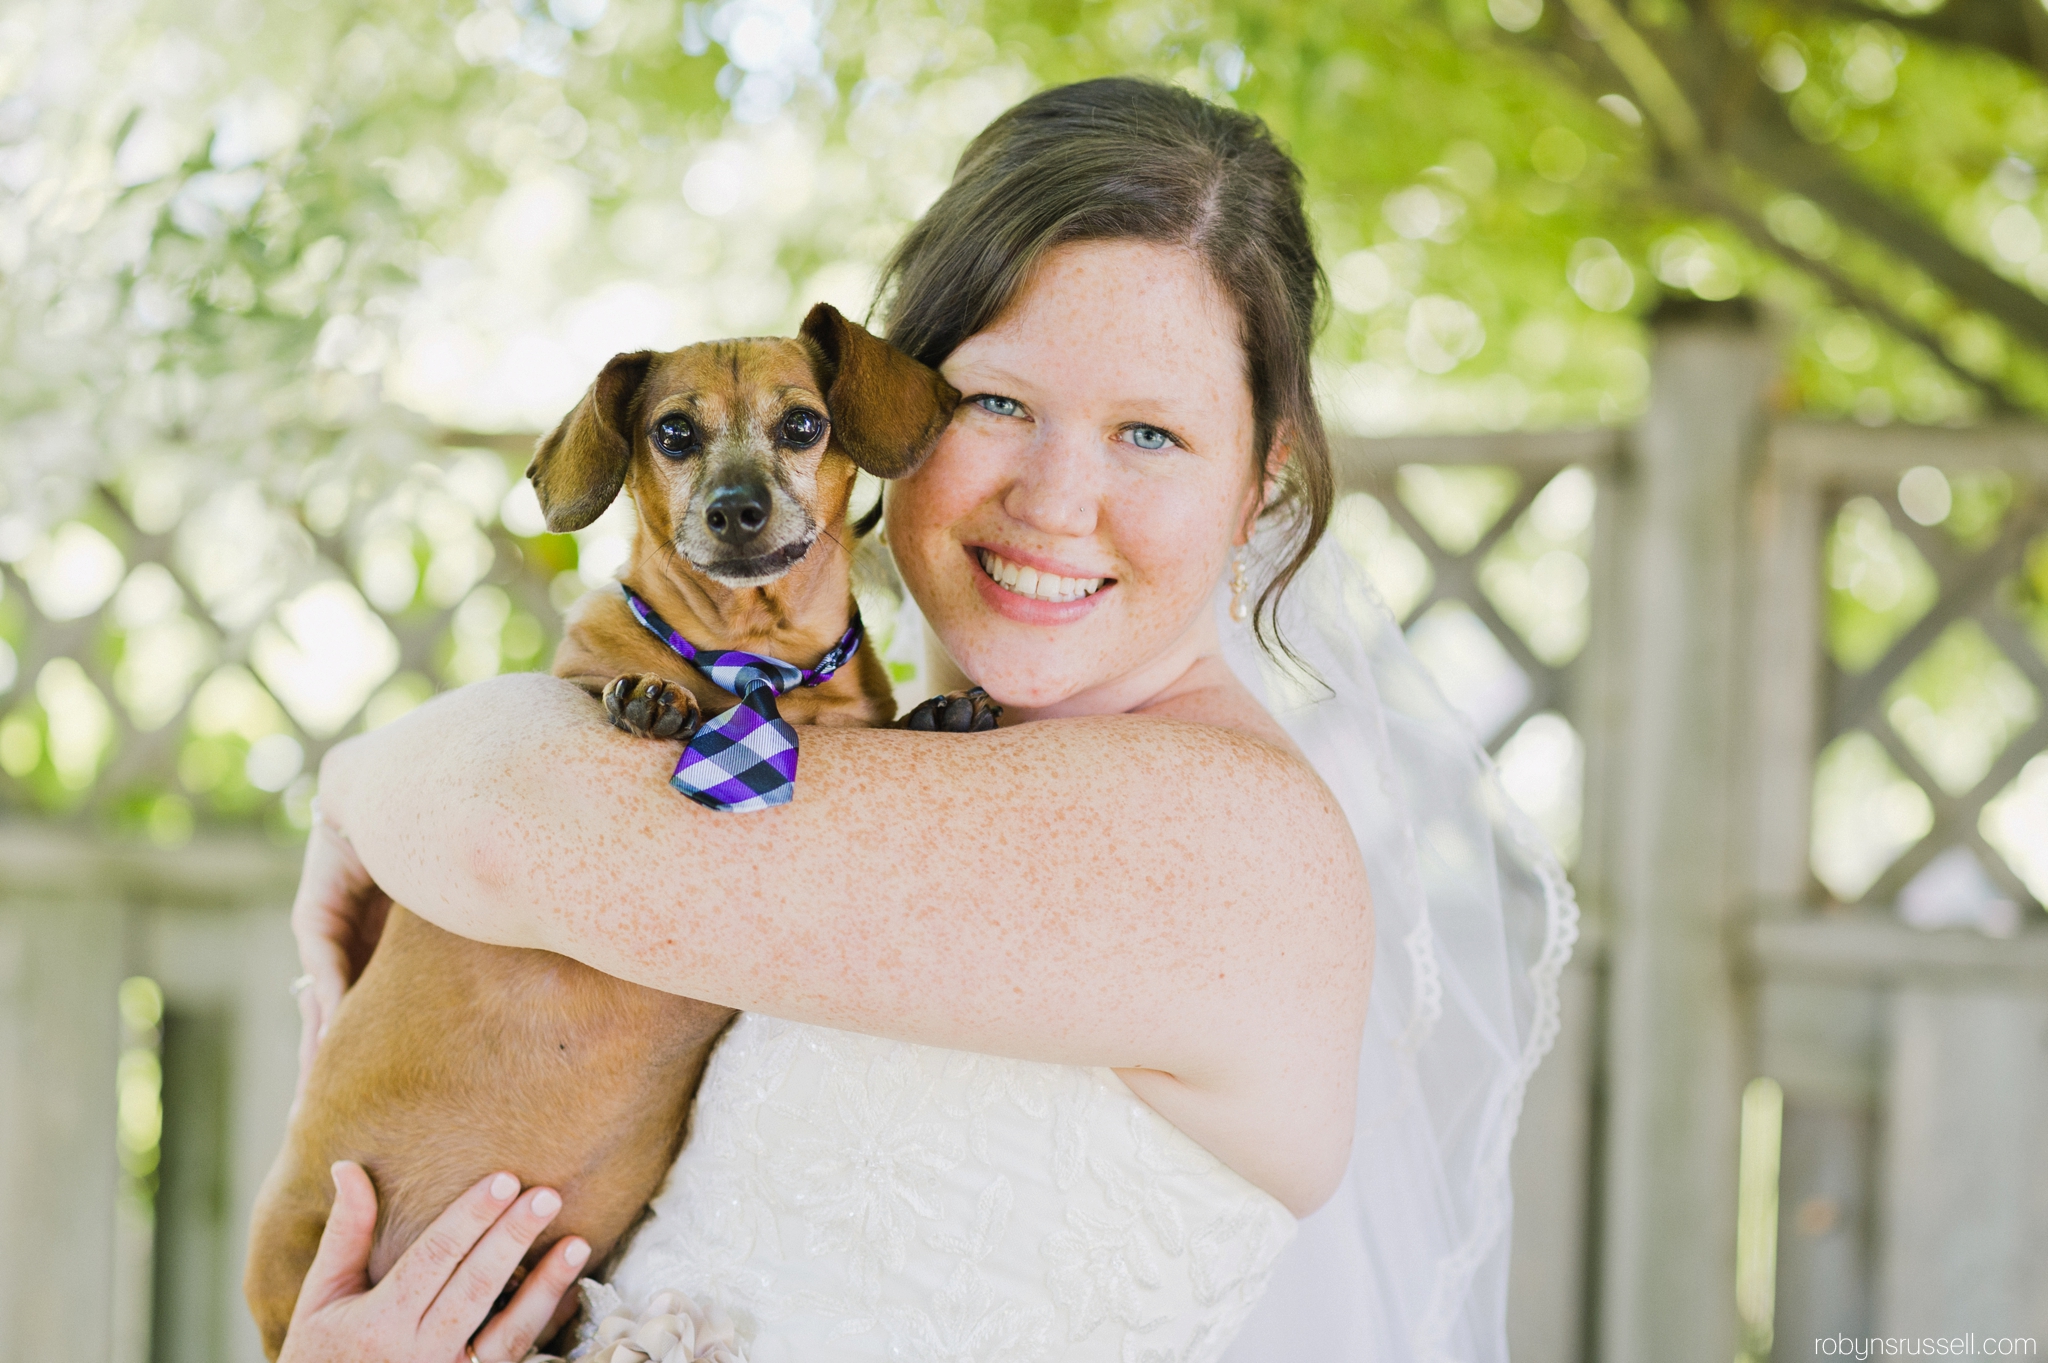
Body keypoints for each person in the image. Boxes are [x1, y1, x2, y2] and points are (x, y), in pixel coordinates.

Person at [281, 77, 1573, 1363]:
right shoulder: (895, 751)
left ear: (1262, 480)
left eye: (1154, 432)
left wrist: (358, 780)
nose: (1058, 500)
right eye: (1000, 404)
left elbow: (519, 835)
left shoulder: (1227, 840)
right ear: (894, 411)